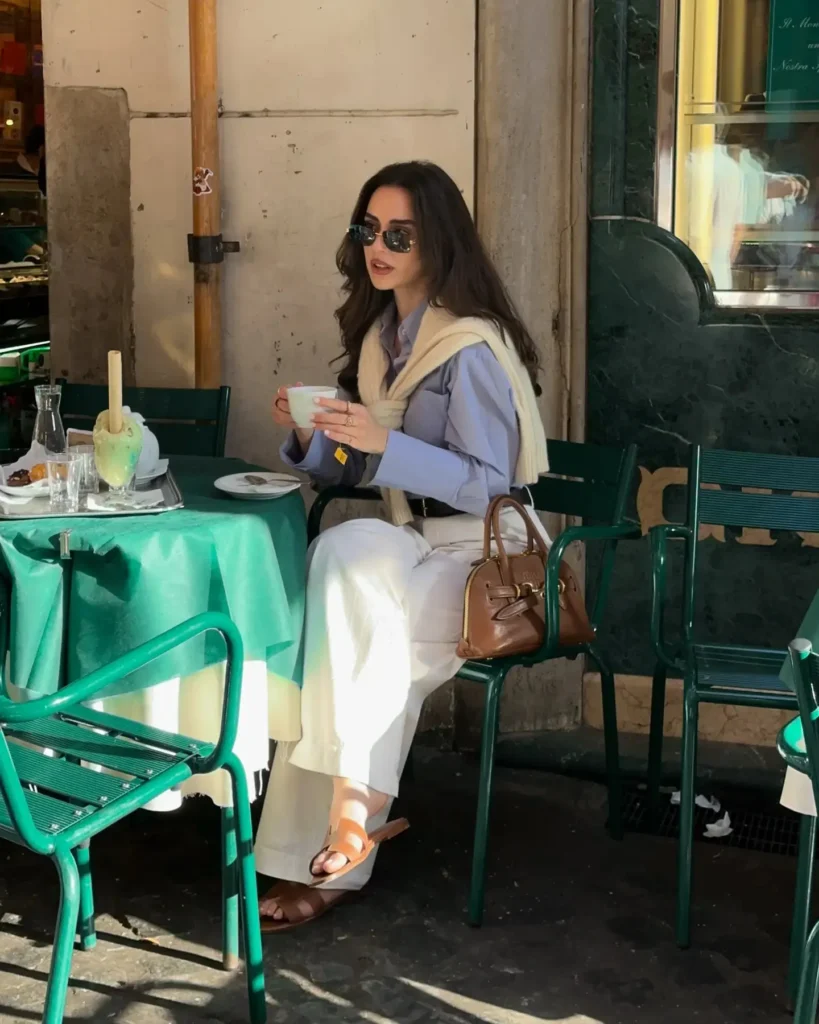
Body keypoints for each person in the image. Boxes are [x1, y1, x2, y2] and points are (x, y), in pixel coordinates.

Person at [254, 160, 550, 930]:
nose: (377, 248)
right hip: (411, 536)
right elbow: (359, 467)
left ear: (437, 242)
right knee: (341, 554)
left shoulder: (469, 346)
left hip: (484, 551)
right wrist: (312, 436)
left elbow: (489, 483)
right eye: (369, 230)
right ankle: (352, 813)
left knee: (351, 638)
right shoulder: (380, 339)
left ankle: (342, 831)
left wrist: (382, 441)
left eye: (399, 235)